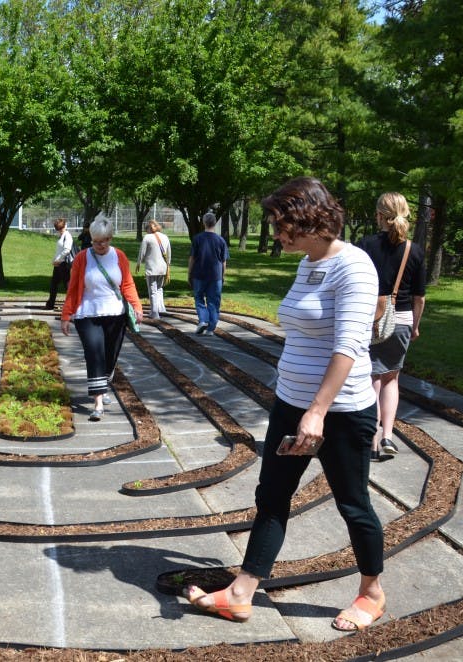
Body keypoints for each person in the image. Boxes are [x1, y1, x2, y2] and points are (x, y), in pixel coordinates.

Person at [186, 177, 386, 632]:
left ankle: (372, 592)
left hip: (340, 412)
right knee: (271, 496)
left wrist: (317, 411)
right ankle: (241, 593)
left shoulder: (353, 266)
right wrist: (297, 403)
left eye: (281, 224)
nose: (276, 233)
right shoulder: (307, 264)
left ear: (308, 218)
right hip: (291, 404)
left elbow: (349, 345)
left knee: (352, 502)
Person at [357, 192, 427, 462]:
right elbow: (419, 297)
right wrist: (416, 326)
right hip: (402, 320)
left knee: (371, 377)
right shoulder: (415, 250)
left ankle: (371, 438)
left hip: (371, 319)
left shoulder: (364, 245)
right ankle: (387, 435)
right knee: (391, 378)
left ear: (379, 215)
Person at [61, 218, 143, 422]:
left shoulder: (119, 256)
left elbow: (127, 284)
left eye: (105, 240)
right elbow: (72, 288)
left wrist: (137, 306)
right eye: (96, 241)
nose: (100, 245)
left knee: (110, 354)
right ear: (91, 239)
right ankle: (98, 402)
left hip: (115, 314)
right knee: (94, 352)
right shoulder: (82, 258)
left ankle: (103, 383)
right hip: (87, 313)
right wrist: (66, 314)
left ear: (110, 238)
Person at [188, 212, 228, 335]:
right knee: (214, 301)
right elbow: (223, 261)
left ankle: (203, 320)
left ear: (204, 222)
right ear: (215, 223)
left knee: (199, 298)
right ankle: (211, 329)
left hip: (199, 274)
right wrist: (223, 275)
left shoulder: (197, 238)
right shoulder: (221, 240)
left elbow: (192, 258)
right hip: (215, 276)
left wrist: (189, 273)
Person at [135, 219, 171, 319]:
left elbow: (142, 252)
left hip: (151, 269)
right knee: (159, 289)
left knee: (152, 290)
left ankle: (154, 312)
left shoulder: (147, 237)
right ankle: (161, 309)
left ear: (149, 228)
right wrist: (168, 265)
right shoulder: (165, 237)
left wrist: (138, 263)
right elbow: (169, 253)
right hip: (163, 268)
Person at [44, 218, 73, 310]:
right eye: (58, 229)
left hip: (63, 264)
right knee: (54, 284)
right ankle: (50, 304)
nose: (59, 231)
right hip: (59, 264)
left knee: (67, 285)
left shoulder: (67, 235)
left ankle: (71, 305)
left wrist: (58, 260)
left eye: (61, 228)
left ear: (65, 226)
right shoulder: (62, 236)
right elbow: (59, 251)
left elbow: (67, 250)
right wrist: (55, 260)